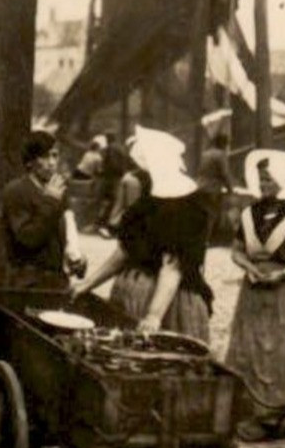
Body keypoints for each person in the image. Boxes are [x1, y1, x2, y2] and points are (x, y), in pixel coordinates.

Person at [69, 127, 211, 339]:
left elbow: (172, 267)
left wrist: (153, 316)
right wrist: (87, 284)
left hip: (169, 301)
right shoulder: (148, 201)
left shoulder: (190, 206)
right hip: (133, 293)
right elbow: (124, 251)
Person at [225, 149, 285, 442]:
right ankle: (257, 411)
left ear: (282, 178)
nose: (263, 183)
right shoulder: (250, 213)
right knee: (253, 348)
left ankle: (283, 412)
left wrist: (284, 273)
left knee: (284, 348)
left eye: (268, 178)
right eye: (261, 178)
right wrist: (248, 268)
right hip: (255, 287)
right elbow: (236, 250)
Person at [0, 130, 84, 290]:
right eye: (45, 157)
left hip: (57, 280)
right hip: (27, 281)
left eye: (55, 156)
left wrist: (77, 258)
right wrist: (50, 202)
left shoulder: (58, 190)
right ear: (30, 162)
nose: (52, 163)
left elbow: (66, 234)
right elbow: (28, 238)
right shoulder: (17, 190)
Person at [196, 127, 232, 245]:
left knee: (200, 214)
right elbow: (224, 173)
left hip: (199, 186)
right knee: (210, 214)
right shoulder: (220, 155)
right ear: (223, 144)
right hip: (211, 189)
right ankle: (206, 240)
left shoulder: (205, 154)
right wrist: (230, 188)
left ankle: (199, 238)